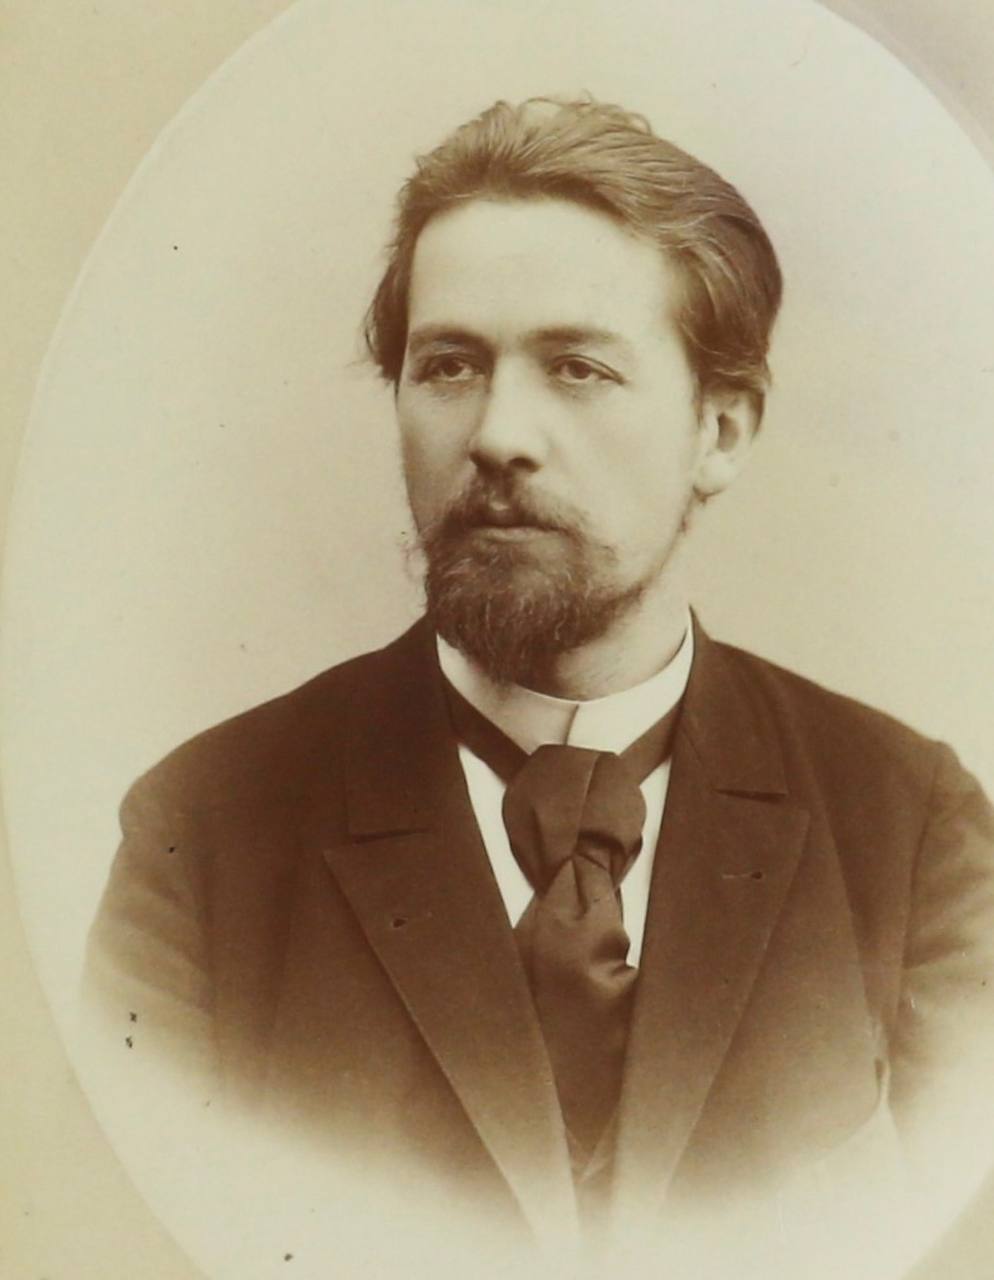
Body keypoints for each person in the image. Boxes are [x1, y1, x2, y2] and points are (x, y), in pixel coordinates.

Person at [84, 96, 994, 1271]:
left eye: (577, 368)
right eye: (449, 366)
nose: (498, 434)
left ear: (720, 431)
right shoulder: (202, 834)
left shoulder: (908, 830)